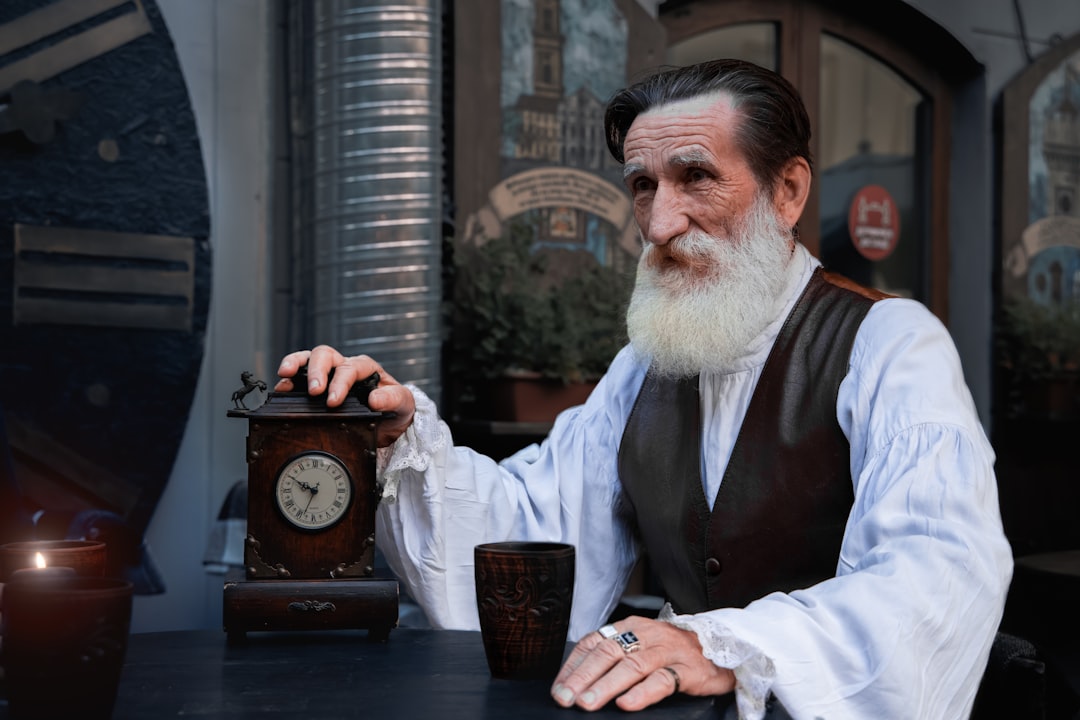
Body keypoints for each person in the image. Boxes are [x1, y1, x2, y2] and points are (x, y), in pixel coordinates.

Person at [276, 59, 1012, 719]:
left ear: (786, 192)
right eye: (642, 186)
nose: (660, 223)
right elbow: (544, 535)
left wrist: (721, 647)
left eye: (696, 177)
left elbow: (935, 578)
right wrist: (404, 441)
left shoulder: (890, 343)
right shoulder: (647, 366)